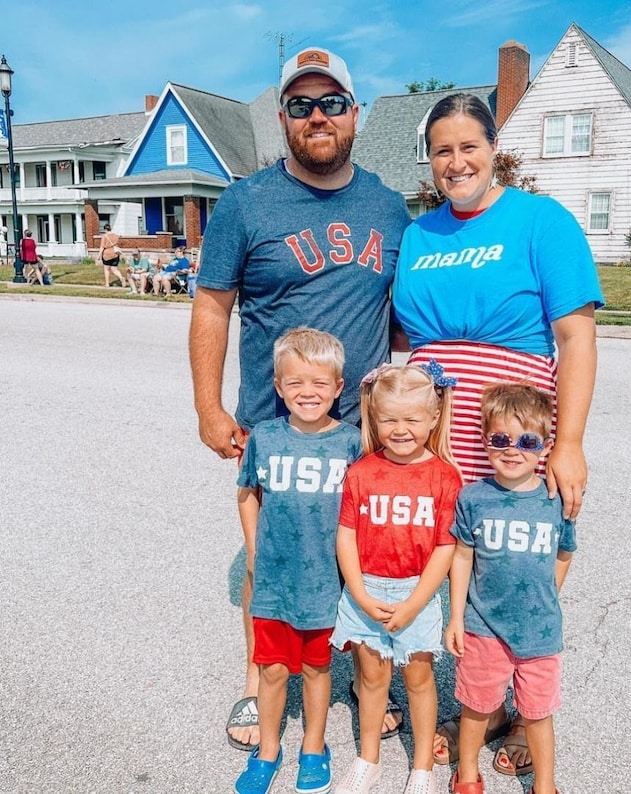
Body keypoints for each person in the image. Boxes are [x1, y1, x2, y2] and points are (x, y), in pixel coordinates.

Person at [189, 45, 410, 753]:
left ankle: (366, 677)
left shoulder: (388, 206)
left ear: (355, 114)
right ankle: (259, 684)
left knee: (367, 555)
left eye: (332, 103)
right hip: (275, 425)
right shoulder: (245, 202)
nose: (317, 117)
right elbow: (212, 306)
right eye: (300, 105)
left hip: (365, 434)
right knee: (271, 558)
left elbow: (403, 319)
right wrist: (208, 407)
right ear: (283, 117)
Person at [391, 93, 602, 774]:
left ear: (493, 147)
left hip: (512, 440)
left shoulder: (541, 221)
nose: (456, 162)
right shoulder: (420, 235)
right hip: (433, 444)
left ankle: (512, 709)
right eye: (442, 151)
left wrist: (567, 442)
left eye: (468, 146)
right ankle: (458, 700)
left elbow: (576, 336)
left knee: (516, 568)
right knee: (444, 567)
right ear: (430, 161)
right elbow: (405, 337)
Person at [234, 328, 362, 794]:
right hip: (274, 580)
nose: (308, 393)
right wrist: (253, 549)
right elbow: (247, 494)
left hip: (324, 582)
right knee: (270, 669)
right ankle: (268, 749)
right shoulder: (265, 437)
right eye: (296, 383)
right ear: (278, 385)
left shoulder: (350, 443)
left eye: (319, 384)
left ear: (338, 387)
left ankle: (314, 744)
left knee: (316, 668)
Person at [330, 363, 462, 794]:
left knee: (419, 680)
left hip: (415, 594)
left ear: (433, 417)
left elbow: (446, 547)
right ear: (373, 417)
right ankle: (369, 759)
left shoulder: (444, 477)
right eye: (389, 419)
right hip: (365, 589)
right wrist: (361, 595)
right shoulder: (362, 472)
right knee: (372, 679)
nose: (400, 429)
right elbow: (346, 536)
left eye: (411, 419)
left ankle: (421, 767)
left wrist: (415, 603)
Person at [445, 382, 575, 794]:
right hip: (482, 625)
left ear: (545, 445)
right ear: (485, 441)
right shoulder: (473, 497)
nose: (512, 450)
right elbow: (462, 556)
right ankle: (467, 773)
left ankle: (545, 784)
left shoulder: (556, 500)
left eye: (526, 441)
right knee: (477, 705)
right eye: (499, 439)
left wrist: (546, 596)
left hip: (540, 631)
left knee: (537, 711)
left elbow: (564, 553)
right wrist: (455, 616)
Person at [98, 223, 126, 288]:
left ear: (105, 229)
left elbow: (102, 247)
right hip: (115, 253)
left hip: (107, 254)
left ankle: (107, 284)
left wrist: (99, 255)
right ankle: (121, 277)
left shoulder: (104, 236)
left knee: (106, 269)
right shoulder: (116, 236)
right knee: (115, 269)